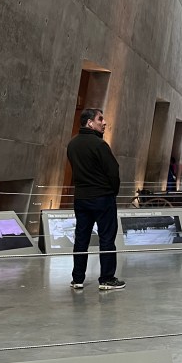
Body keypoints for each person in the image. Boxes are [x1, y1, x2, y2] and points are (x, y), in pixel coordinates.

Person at [66, 108, 125, 291]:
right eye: (100, 119)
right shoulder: (100, 145)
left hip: (81, 199)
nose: (104, 122)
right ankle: (107, 279)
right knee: (106, 238)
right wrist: (112, 192)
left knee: (81, 238)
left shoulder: (72, 144)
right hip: (102, 198)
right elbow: (113, 171)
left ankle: (77, 279)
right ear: (90, 123)